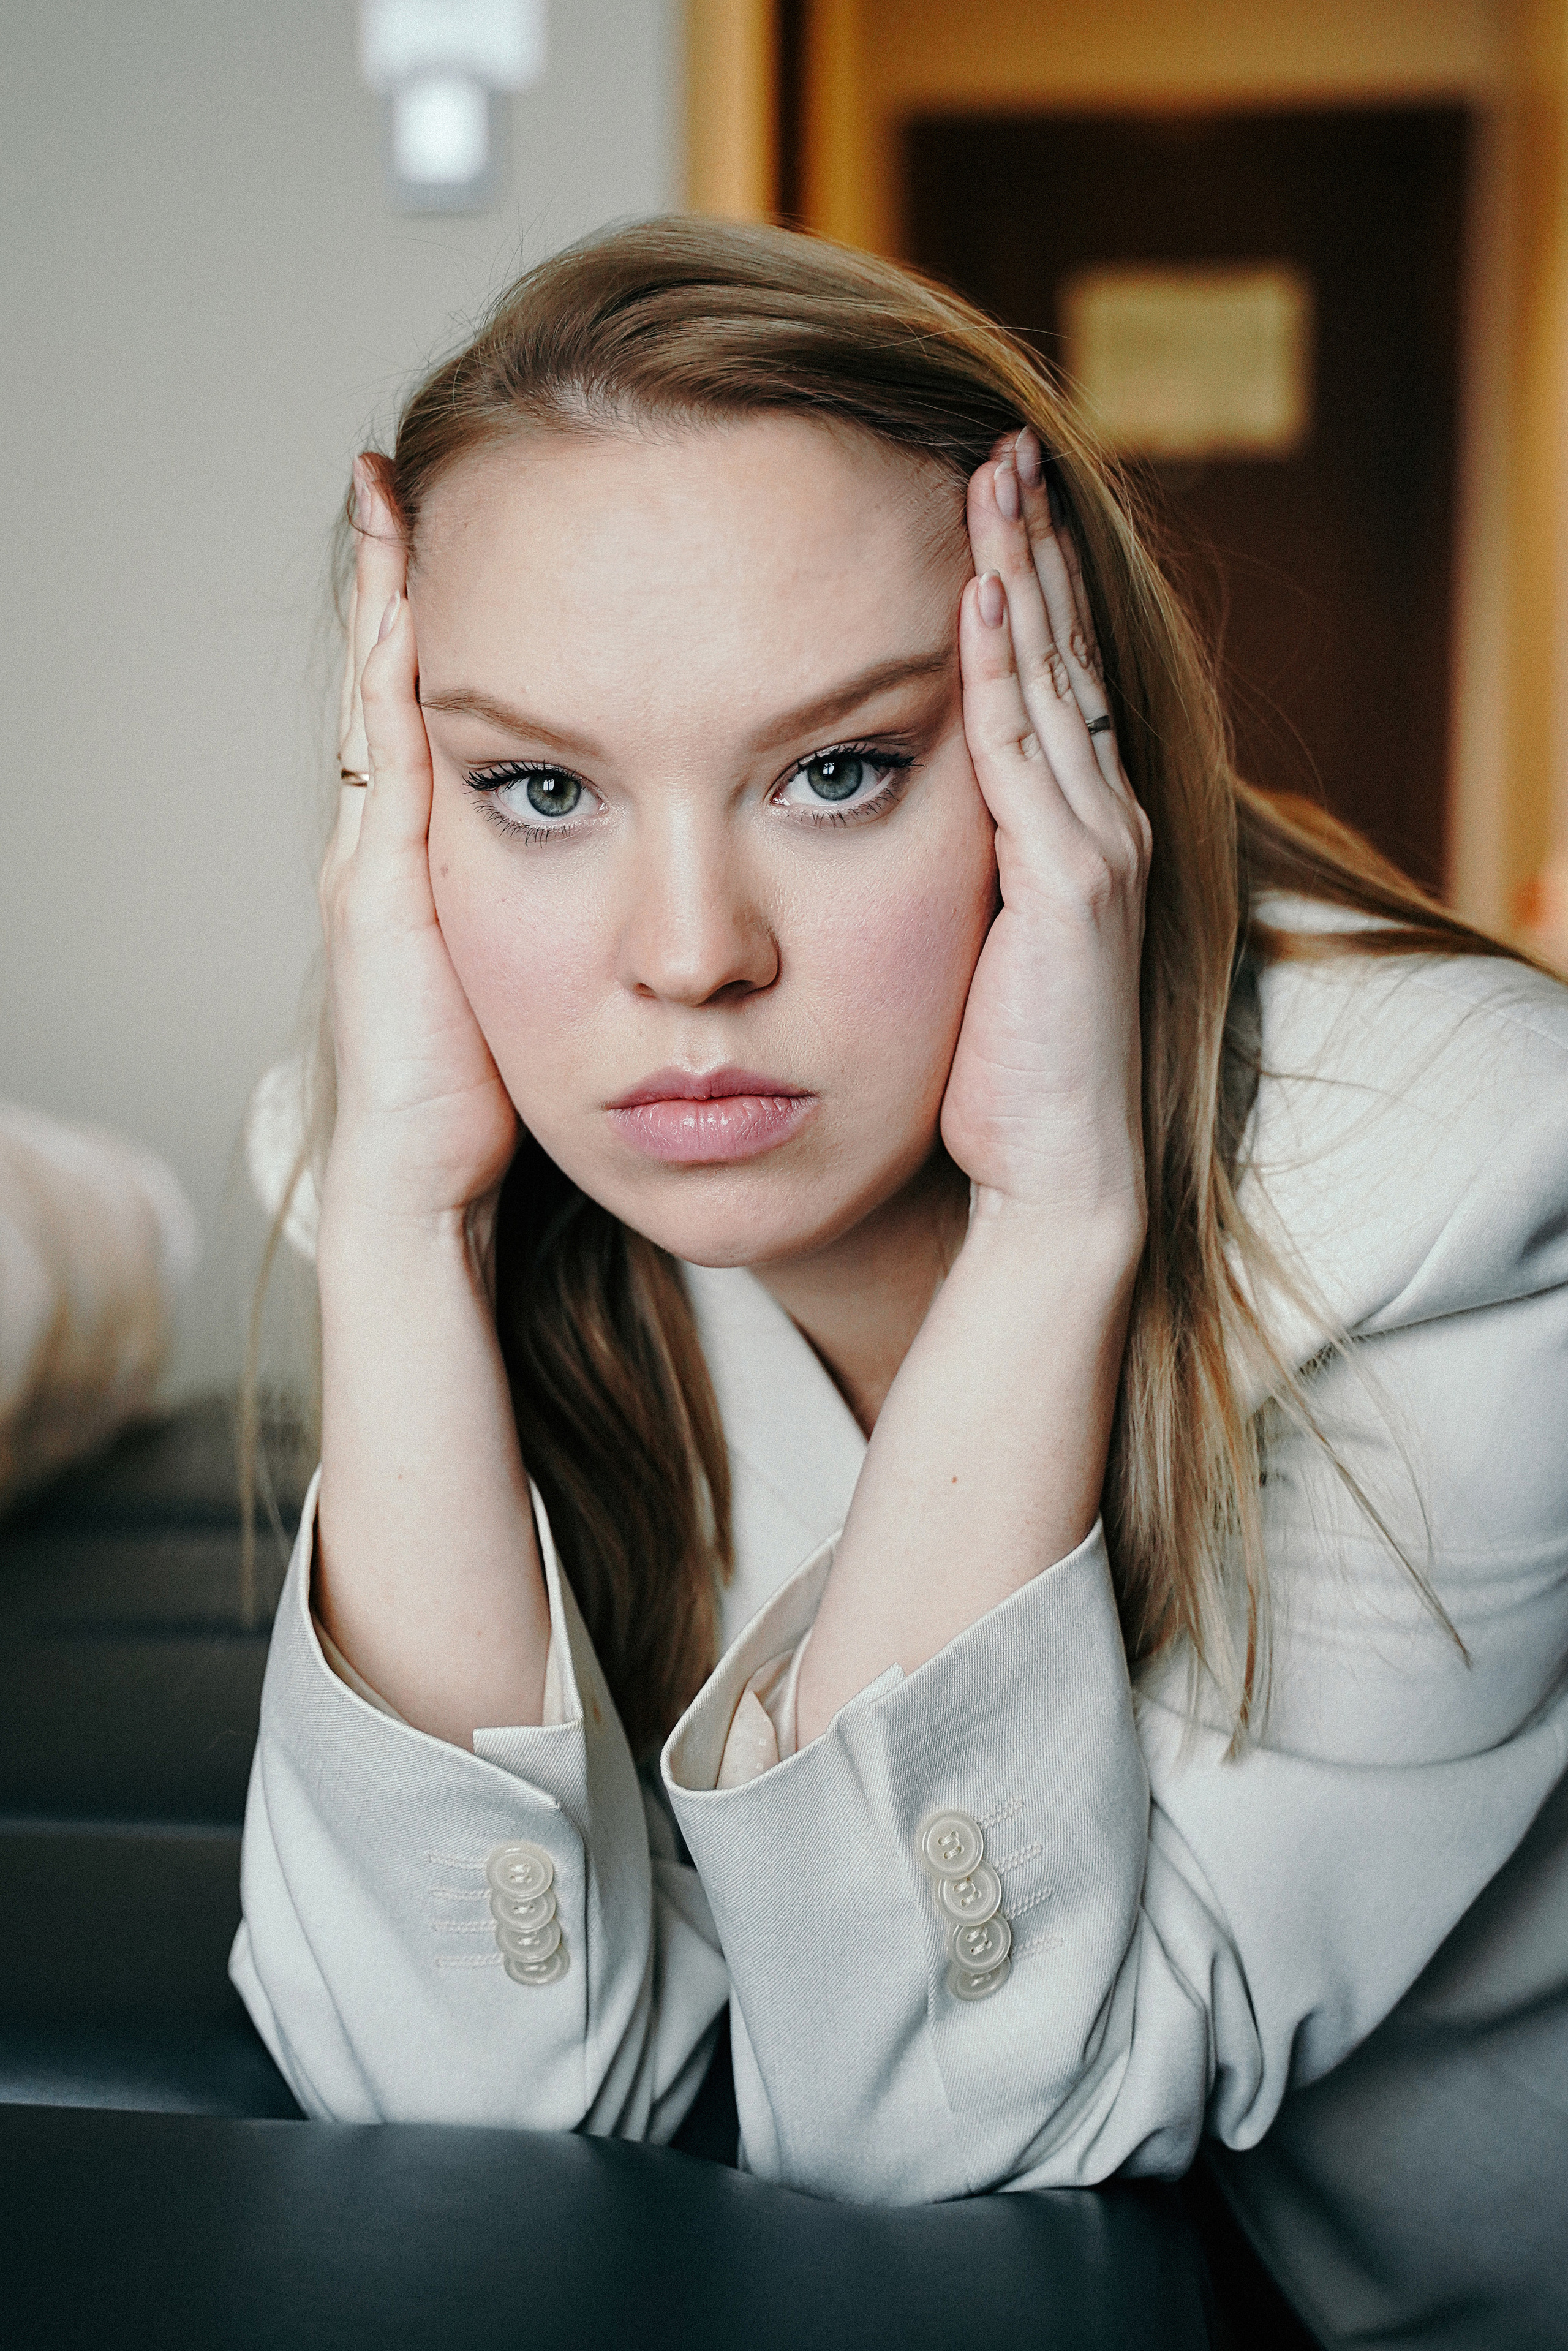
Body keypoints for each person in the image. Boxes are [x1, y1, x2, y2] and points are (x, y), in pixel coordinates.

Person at [233, 220, 1568, 2349]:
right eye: (539, 788)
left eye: (838, 768)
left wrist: (1057, 1222)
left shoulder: (1466, 1178)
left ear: (1064, 756)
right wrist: (401, 1225)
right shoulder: (455, 1148)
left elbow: (954, 2139)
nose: (688, 955)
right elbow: (453, 2121)